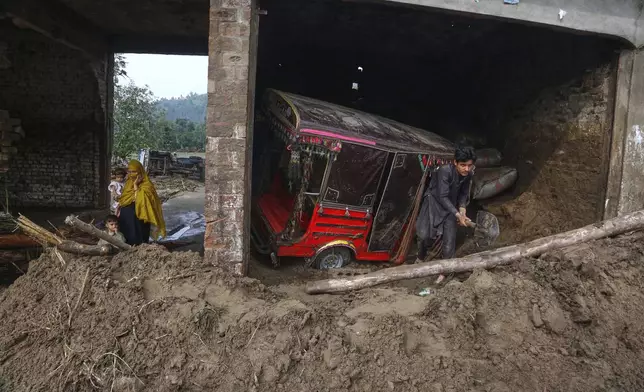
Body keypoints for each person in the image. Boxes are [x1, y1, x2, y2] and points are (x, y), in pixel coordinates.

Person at [416, 145, 476, 264]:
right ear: (455, 162)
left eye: (469, 165)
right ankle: (420, 257)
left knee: (449, 241)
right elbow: (442, 196)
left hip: (451, 207)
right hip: (434, 204)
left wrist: (462, 210)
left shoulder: (468, 174)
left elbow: (463, 194)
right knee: (424, 236)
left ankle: (445, 272)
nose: (467, 169)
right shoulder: (444, 171)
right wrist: (458, 215)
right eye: (463, 165)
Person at [118, 160, 166, 245]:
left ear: (140, 171)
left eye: (134, 172)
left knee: (138, 236)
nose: (131, 174)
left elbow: (140, 200)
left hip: (141, 215)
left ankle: (139, 247)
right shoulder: (128, 183)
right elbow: (124, 199)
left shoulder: (147, 185)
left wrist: (136, 186)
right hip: (126, 215)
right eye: (129, 171)